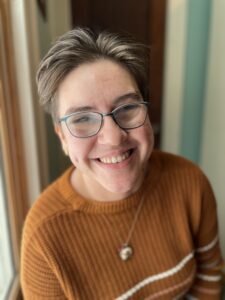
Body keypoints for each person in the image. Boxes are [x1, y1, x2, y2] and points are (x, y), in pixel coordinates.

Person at [21, 27, 223, 299]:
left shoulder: (190, 183)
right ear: (62, 138)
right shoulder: (43, 240)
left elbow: (208, 279)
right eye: (82, 118)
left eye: (127, 108)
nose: (114, 138)